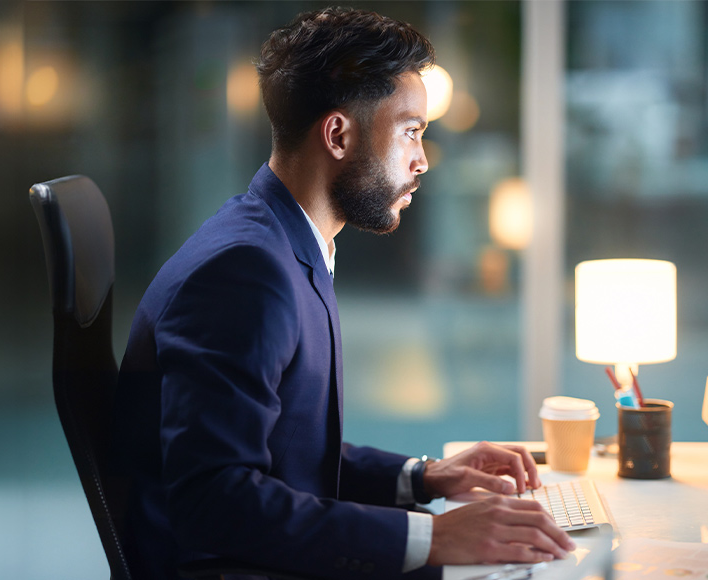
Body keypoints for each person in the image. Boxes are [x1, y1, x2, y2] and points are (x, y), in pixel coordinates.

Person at [111, 7, 577, 579]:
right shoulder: (244, 272)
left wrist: (425, 476)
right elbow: (214, 500)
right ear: (338, 134)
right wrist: (432, 535)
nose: (422, 159)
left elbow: (285, 448)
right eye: (410, 130)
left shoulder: (281, 241)